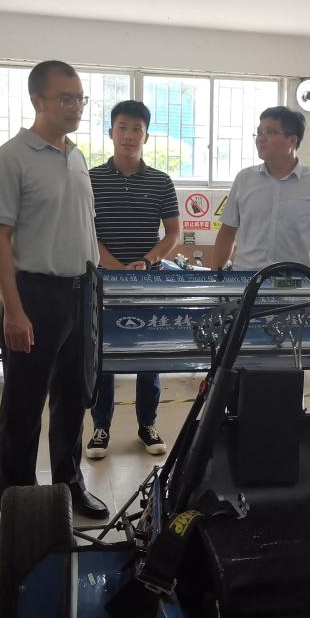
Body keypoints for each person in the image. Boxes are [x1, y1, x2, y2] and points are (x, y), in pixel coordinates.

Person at [0, 60, 108, 520]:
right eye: (66, 98)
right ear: (38, 101)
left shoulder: (75, 156)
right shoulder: (10, 158)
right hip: (35, 294)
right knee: (24, 403)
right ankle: (18, 500)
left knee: (72, 398)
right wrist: (13, 311)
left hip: (80, 293)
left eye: (80, 98)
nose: (76, 107)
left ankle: (68, 484)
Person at [86, 100, 179, 459]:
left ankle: (147, 426)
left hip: (148, 281)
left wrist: (147, 260)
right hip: (102, 281)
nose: (128, 135)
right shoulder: (90, 179)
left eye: (136, 129)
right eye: (122, 127)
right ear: (111, 132)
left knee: (148, 354)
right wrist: (112, 266)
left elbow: (173, 233)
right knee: (103, 354)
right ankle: (100, 427)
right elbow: (86, 230)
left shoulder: (161, 181)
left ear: (146, 136)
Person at [212, 106, 310, 271]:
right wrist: (216, 276)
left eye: (269, 132)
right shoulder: (244, 179)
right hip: (246, 279)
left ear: (292, 140)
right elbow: (227, 232)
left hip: (297, 281)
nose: (260, 139)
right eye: (259, 133)